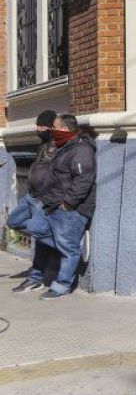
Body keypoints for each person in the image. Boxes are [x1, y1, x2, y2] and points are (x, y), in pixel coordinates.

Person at [34, 114, 97, 300]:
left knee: (68, 248)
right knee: (36, 229)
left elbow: (84, 179)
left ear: (64, 129)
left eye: (55, 126)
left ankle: (62, 285)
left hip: (70, 209)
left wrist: (68, 203)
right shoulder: (63, 146)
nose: (52, 130)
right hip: (52, 205)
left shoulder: (81, 149)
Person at [9, 110, 60, 294]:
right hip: (31, 196)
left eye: (42, 126)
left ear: (52, 127)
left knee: (38, 236)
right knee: (13, 221)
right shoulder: (43, 144)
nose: (38, 129)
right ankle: (56, 241)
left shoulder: (58, 145)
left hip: (43, 198)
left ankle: (35, 278)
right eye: (37, 126)